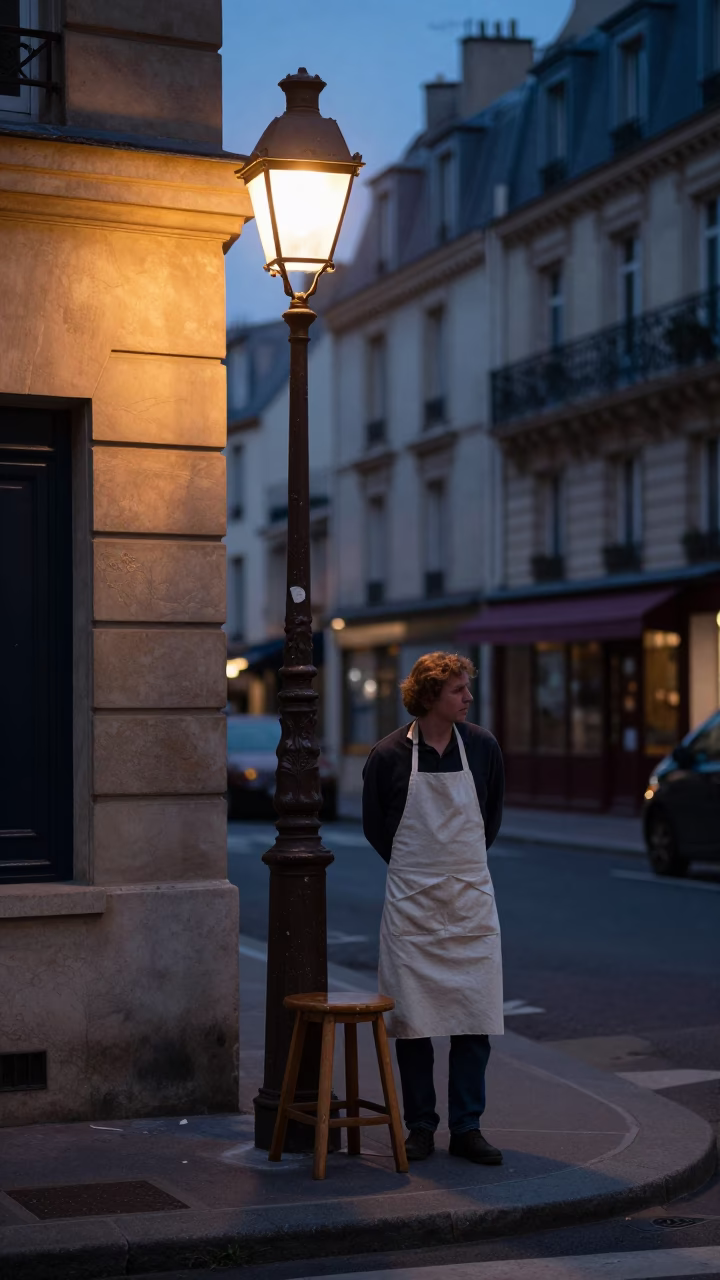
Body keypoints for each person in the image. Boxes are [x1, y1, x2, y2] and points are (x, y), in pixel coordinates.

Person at [362, 651, 505, 1164]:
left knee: (475, 1016)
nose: (468, 698)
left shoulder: (483, 748)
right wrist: (416, 873)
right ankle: (420, 1126)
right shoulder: (387, 756)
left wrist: (456, 871)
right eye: (458, 691)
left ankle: (468, 1127)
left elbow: (490, 819)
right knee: (413, 1021)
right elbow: (376, 828)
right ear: (429, 697)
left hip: (469, 900)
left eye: (467, 689)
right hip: (412, 907)